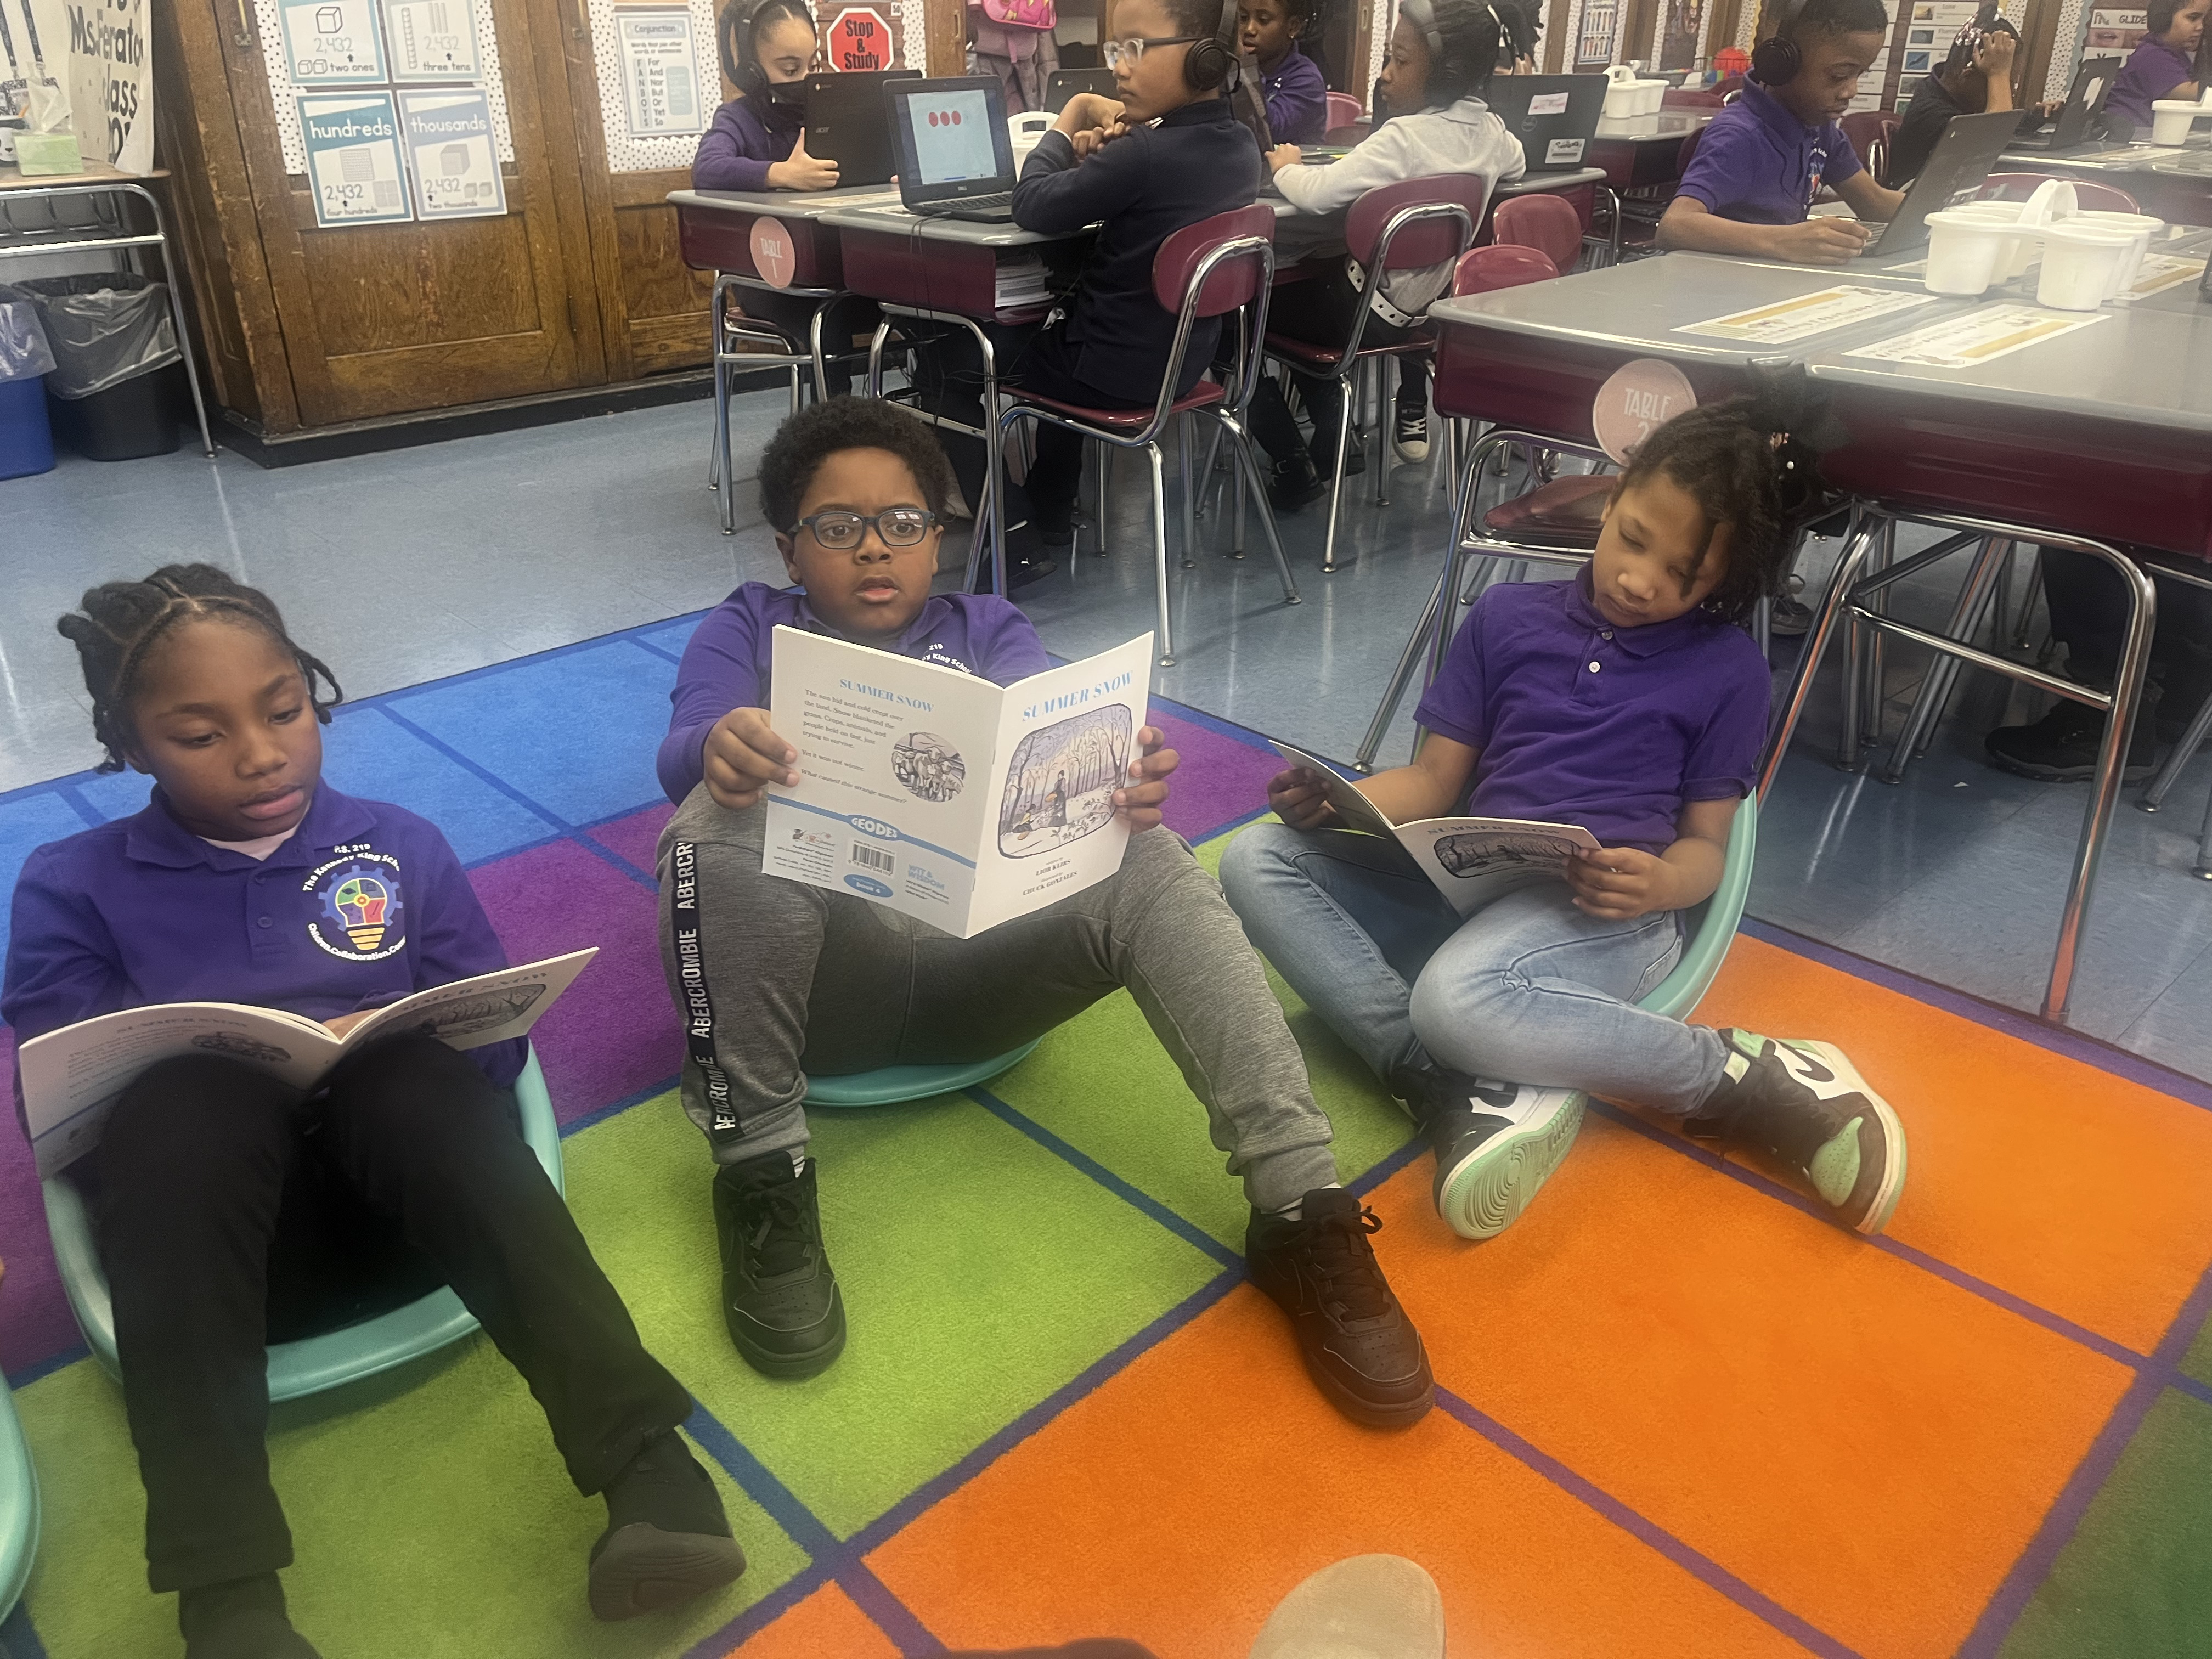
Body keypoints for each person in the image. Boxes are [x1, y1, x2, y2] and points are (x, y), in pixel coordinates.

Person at [3, 568, 744, 1659]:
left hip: (419, 1236)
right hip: (222, 1278)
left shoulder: (397, 848)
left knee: (405, 1077)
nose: (261, 753)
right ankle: (230, 1601)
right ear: (130, 742)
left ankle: (655, 1477)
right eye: (200, 734)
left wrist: (376, 1041)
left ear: (314, 690)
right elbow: (69, 1100)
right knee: (186, 1104)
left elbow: (494, 1045)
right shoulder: (73, 885)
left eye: (285, 708)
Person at [653, 398, 1435, 1430]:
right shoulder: (751, 625)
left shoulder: (988, 629)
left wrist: (1121, 772)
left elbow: (1059, 734)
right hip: (820, 995)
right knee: (712, 819)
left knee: (1141, 845)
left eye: (904, 521)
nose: (874, 548)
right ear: (791, 548)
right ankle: (761, 1169)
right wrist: (721, 745)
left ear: (942, 536)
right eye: (837, 527)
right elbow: (681, 753)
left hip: (983, 974)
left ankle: (1302, 1208)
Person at [1220, 392, 1909, 1244]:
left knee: (1455, 1001)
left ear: (1725, 580)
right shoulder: (1507, 618)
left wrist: (1659, 882)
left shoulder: (1728, 668)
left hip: (1610, 917)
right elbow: (1434, 783)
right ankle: (1454, 1085)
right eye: (1632, 540)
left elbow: (1707, 854)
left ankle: (1754, 1080)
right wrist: (1338, 806)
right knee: (1255, 859)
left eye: (1683, 576)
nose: (1639, 578)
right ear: (1609, 499)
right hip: (1471, 890)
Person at [912, 0, 1264, 579]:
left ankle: (1016, 539)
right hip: (1179, 369)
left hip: (1110, 375)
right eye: (1114, 50)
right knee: (1058, 346)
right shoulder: (1240, 147)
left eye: (1134, 48)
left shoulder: (1145, 154)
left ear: (1203, 58)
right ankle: (1049, 509)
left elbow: (1032, 205)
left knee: (944, 364)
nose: (1119, 68)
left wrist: (1072, 111)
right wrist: (1104, 160)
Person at [1243, 0, 1524, 509]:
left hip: (1354, 315)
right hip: (1421, 317)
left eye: (1400, 60)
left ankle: (1291, 457)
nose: (1387, 74)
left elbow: (1317, 193)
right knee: (1312, 284)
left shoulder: (1402, 138)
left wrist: (1285, 166)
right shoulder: (1490, 133)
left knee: (1239, 312)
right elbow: (1518, 165)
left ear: (1446, 71)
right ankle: (1335, 440)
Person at [692, 0, 874, 394]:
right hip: (769, 277)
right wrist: (781, 175)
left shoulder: (829, 108)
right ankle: (833, 442)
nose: (806, 79)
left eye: (813, 64)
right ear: (753, 71)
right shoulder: (737, 118)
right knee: (828, 324)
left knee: (924, 306)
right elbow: (707, 168)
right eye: (791, 69)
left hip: (838, 269)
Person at [1656, 0, 1906, 265]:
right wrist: (1784, 240)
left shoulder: (1820, 128)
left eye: (1860, 74)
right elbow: (1675, 226)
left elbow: (1874, 202)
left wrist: (1945, 211)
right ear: (1781, 64)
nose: (1851, 91)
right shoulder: (1739, 135)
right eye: (1839, 75)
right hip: (1717, 285)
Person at [1886, 8, 2041, 183]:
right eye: (2006, 82)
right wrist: (1998, 74)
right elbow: (1989, 151)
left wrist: (2036, 117)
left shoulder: (1944, 92)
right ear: (1967, 76)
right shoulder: (1934, 115)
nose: (2009, 92)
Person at [2107, 0, 2205, 128]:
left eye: (2204, 20)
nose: (2201, 27)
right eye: (2193, 18)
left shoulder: (2176, 54)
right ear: (2163, 20)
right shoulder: (2152, 55)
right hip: (2129, 135)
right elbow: (2186, 94)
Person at [1240, 0, 1329, 141]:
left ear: (1293, 27)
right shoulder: (1230, 68)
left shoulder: (1307, 81)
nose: (1249, 29)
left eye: (1263, 20)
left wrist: (1244, 65)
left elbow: (1266, 131)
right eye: (1243, 18)